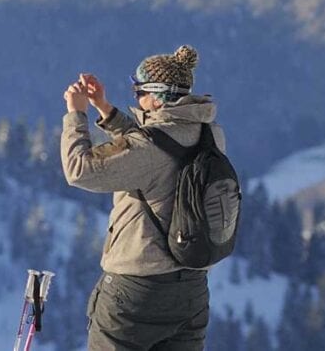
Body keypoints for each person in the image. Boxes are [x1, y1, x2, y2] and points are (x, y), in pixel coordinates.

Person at [60, 46, 227, 350]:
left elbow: (79, 170)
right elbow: (157, 143)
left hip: (137, 291)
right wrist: (105, 109)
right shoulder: (210, 134)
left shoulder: (149, 148)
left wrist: (77, 115)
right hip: (191, 290)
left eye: (138, 91)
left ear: (156, 95)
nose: (135, 97)